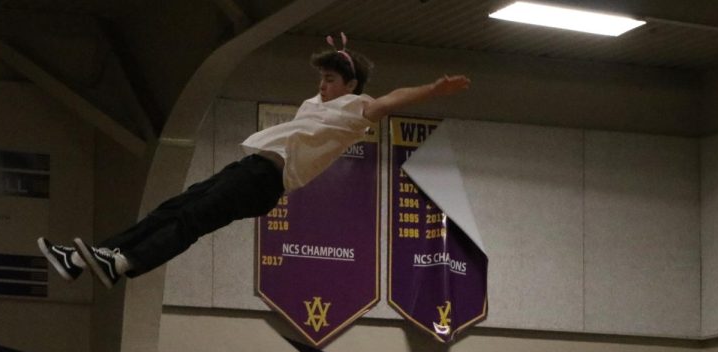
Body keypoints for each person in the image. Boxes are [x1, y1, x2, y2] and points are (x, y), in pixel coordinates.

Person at [37, 38, 470, 287]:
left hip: (267, 179)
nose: (321, 84)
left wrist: (432, 89)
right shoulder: (316, 101)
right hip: (250, 168)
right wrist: (340, 56)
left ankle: (125, 263)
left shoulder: (358, 111)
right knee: (172, 208)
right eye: (321, 77)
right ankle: (91, 258)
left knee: (192, 220)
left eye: (331, 79)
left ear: (352, 86)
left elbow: (391, 99)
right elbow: (336, 69)